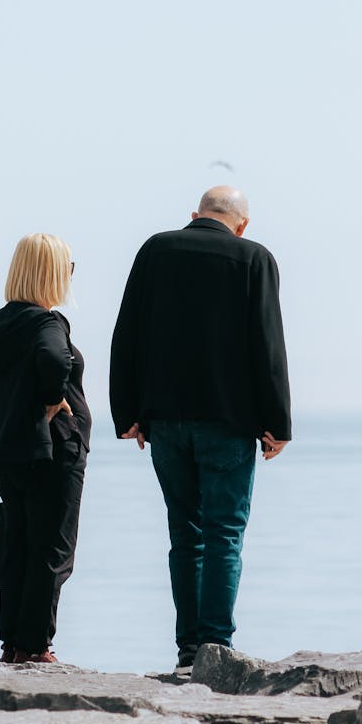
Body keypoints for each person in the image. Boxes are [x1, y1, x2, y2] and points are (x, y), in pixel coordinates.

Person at [109, 187, 291, 669]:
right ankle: (216, 647)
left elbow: (126, 332)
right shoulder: (254, 258)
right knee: (224, 533)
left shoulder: (155, 249)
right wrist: (277, 422)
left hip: (164, 420)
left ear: (194, 215)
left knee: (185, 534)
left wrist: (125, 413)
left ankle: (188, 652)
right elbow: (267, 344)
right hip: (229, 422)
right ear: (242, 224)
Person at [0, 233, 90, 664]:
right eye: (69, 268)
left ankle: (13, 644)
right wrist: (54, 399)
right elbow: (54, 360)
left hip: (9, 452)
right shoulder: (47, 323)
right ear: (52, 273)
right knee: (54, 550)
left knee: (19, 544)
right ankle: (38, 646)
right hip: (55, 448)